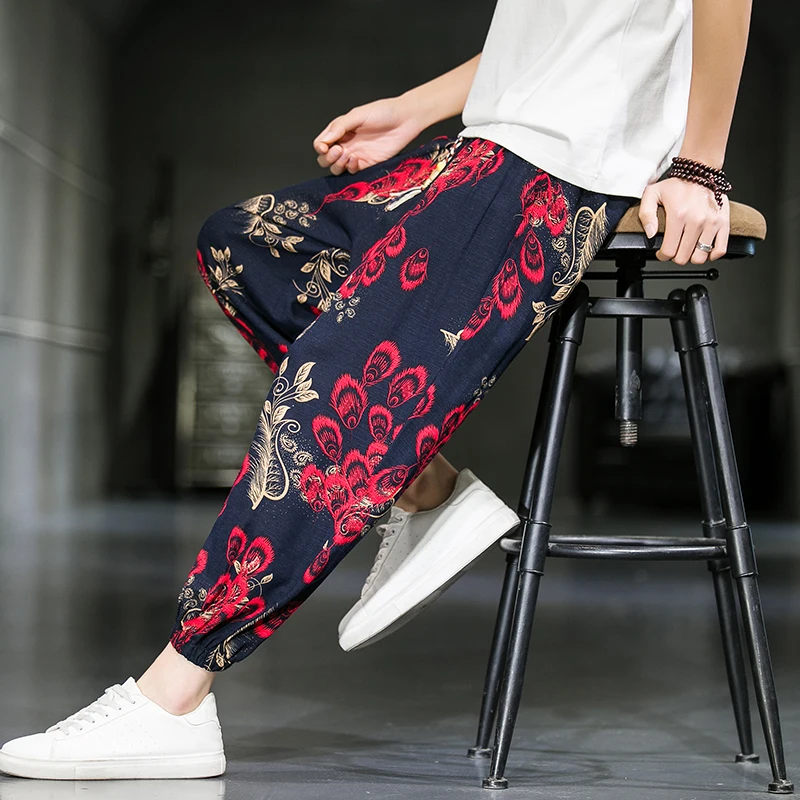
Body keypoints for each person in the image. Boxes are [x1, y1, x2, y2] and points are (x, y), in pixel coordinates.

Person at [0, 0, 750, 781]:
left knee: (332, 393)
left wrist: (699, 165)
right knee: (243, 244)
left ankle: (175, 694)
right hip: (482, 149)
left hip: (555, 172)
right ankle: (425, 491)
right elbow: (554, 33)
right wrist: (416, 108)